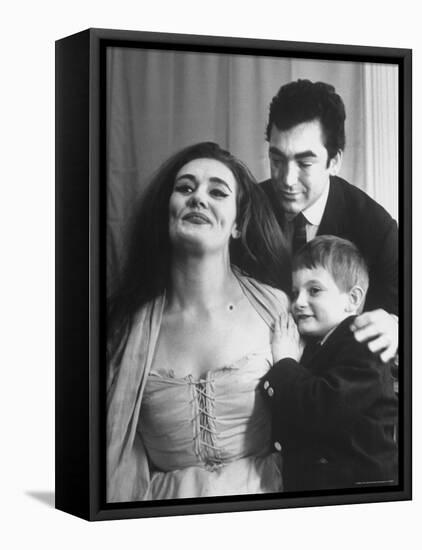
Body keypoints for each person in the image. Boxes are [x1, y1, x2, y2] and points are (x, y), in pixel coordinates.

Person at [107, 141, 292, 502]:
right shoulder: (123, 328)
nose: (198, 198)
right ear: (168, 212)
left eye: (218, 191)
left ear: (238, 224)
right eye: (185, 188)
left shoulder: (276, 308)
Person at [261, 79, 398, 364]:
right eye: (277, 159)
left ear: (334, 161)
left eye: (305, 163)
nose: (287, 179)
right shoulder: (247, 208)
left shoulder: (376, 228)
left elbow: (402, 315)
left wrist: (395, 325)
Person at [261, 236, 398, 492]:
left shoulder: (365, 341)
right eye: (295, 292)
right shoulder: (319, 343)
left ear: (353, 299)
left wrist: (285, 362)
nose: (298, 302)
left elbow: (322, 407)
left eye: (314, 290)